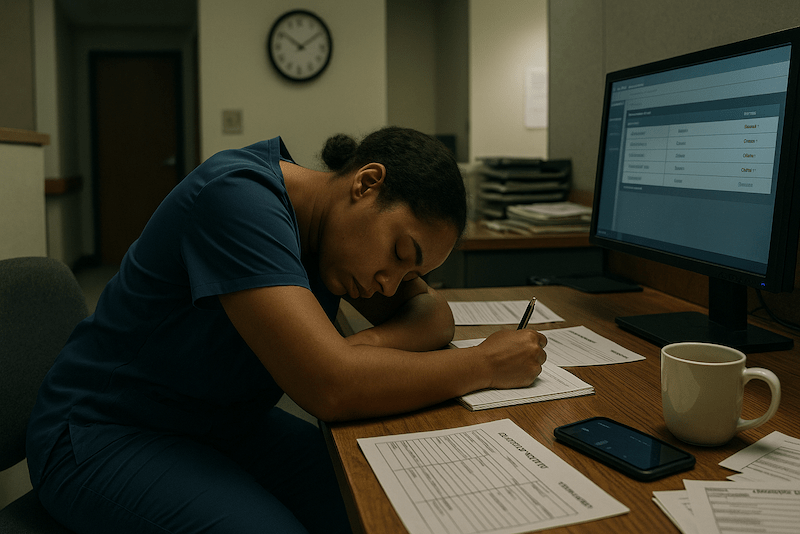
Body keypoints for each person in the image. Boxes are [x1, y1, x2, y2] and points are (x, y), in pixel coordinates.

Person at [26, 127, 547, 534]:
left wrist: (354, 350)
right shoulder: (238, 198)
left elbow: (434, 317)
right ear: (366, 185)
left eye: (410, 274)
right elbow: (330, 388)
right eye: (399, 254)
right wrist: (484, 365)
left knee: (379, 506)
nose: (390, 285)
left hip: (222, 422)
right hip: (103, 432)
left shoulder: (340, 241)